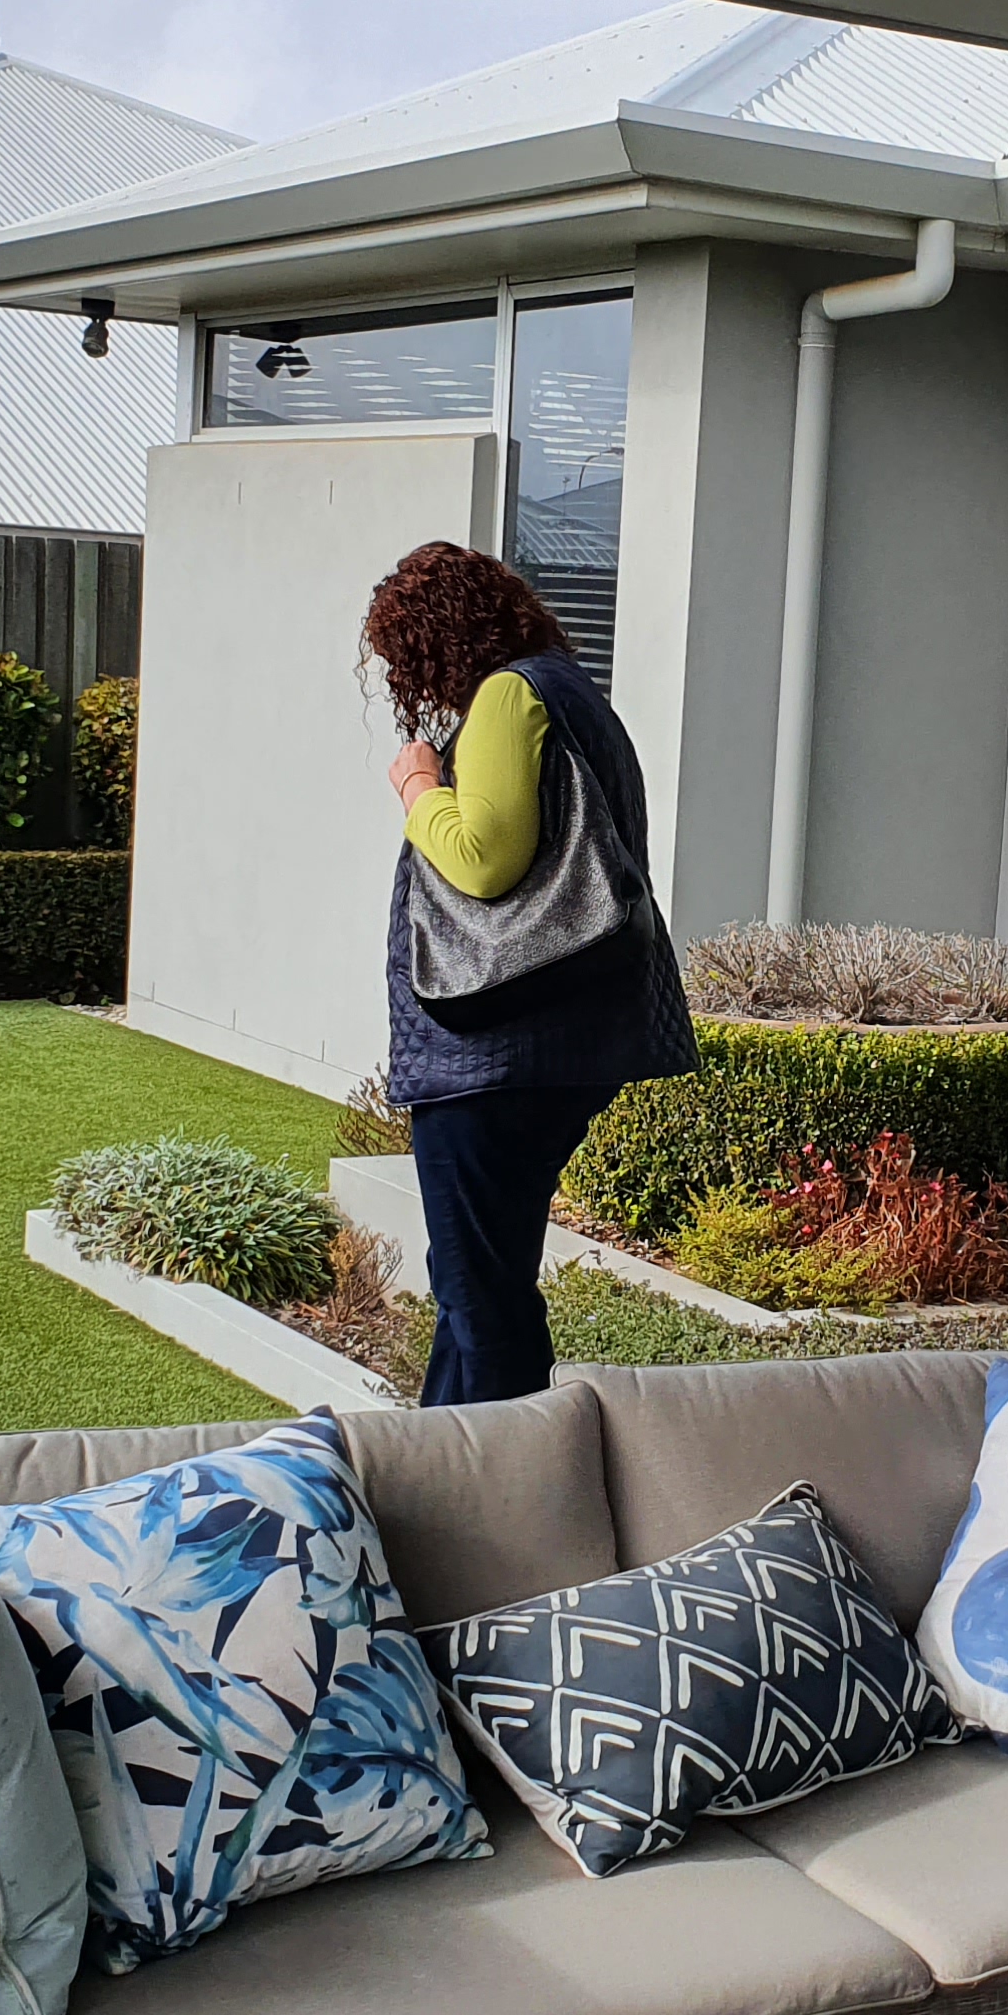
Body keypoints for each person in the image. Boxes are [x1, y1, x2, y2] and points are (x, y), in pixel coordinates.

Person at [364, 541, 696, 1405]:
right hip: (569, 1040)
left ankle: (522, 1464)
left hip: (495, 1052)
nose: (408, 680)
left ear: (439, 642)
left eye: (406, 658)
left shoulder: (510, 697)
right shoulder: (574, 693)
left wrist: (419, 786)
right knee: (476, 1277)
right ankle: (444, 1453)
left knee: (483, 1294)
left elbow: (483, 861)